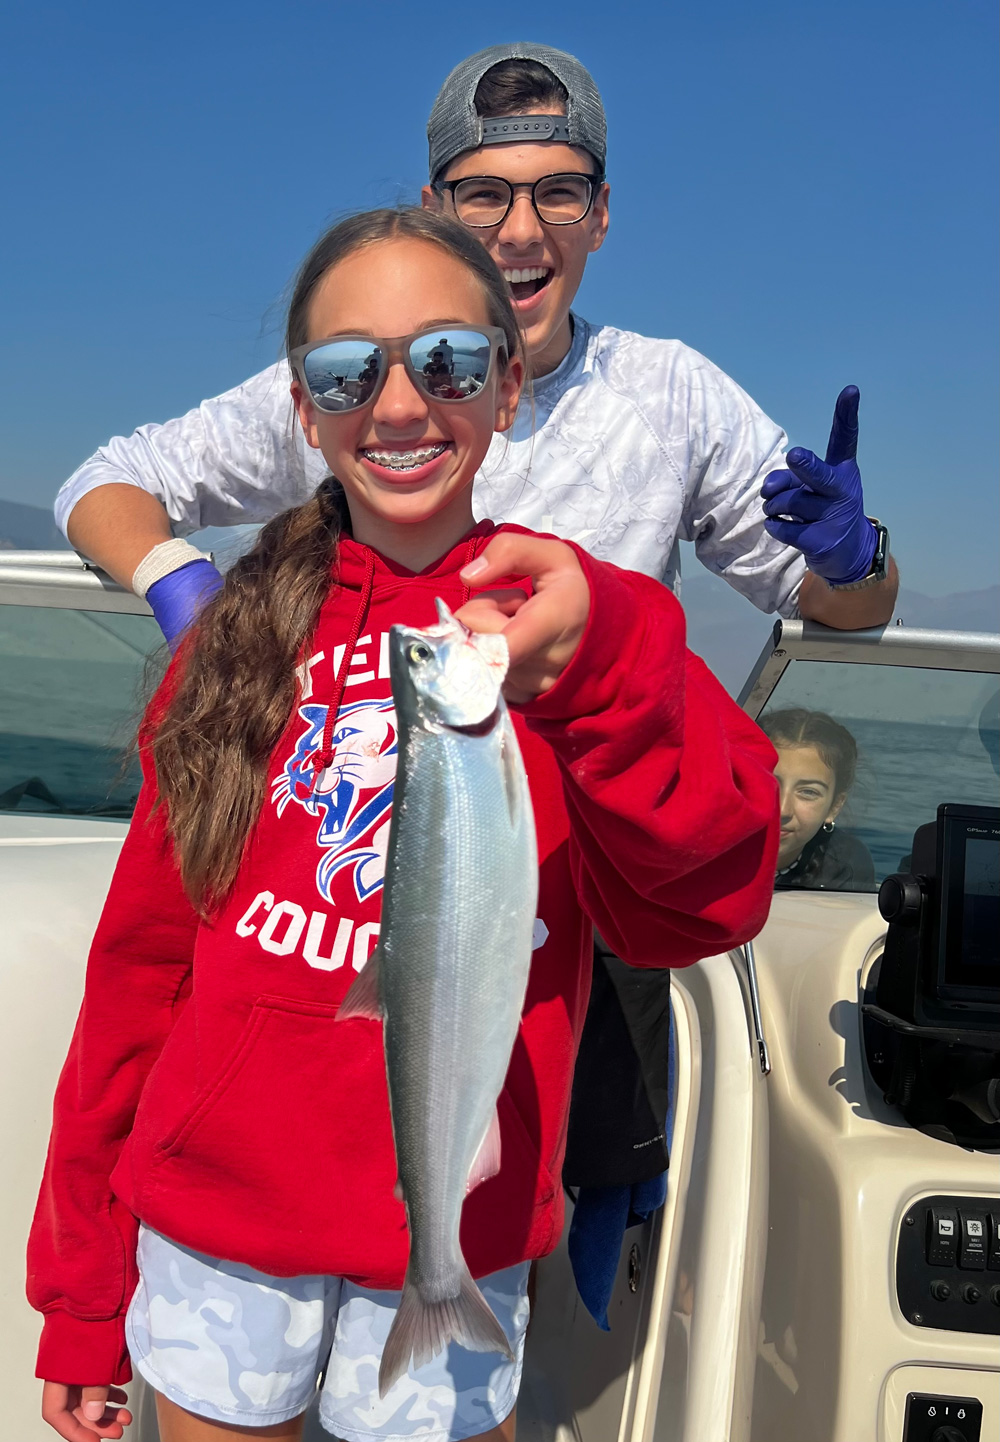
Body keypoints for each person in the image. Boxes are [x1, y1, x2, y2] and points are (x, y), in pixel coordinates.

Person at [28, 208, 780, 1442]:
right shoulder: (236, 644)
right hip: (220, 1217)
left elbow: (699, 905)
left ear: (509, 382)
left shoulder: (573, 626)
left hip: (455, 1227)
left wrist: (603, 668)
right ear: (302, 407)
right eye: (347, 371)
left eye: (447, 361)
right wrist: (80, 1291)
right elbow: (141, 972)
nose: (397, 404)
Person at [55, 42, 897, 652]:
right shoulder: (357, 386)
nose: (522, 232)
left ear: (601, 215)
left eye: (559, 193)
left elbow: (839, 609)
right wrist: (180, 581)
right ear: (435, 214)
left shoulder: (672, 392)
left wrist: (856, 561)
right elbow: (104, 484)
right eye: (485, 196)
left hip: (586, 858)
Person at [760, 707, 874, 890]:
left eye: (808, 792)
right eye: (767, 782)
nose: (782, 809)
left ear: (834, 808)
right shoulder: (704, 847)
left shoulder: (845, 866)